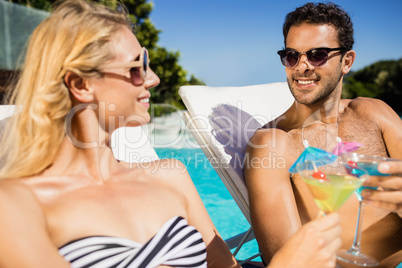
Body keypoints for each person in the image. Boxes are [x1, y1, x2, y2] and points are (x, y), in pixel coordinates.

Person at [0, 0, 343, 267]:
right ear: (80, 84)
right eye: (137, 68)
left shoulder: (169, 175)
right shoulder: (17, 204)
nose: (153, 80)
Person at [244, 2, 402, 268]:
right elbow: (285, 260)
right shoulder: (272, 144)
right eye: (291, 55)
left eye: (317, 55)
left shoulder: (374, 112)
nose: (301, 66)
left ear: (347, 61)